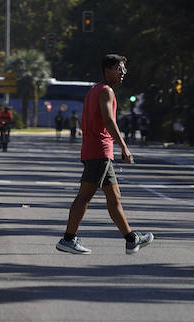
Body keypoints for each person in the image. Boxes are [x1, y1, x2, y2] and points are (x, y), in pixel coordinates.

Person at [56, 54, 154, 255]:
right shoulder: (106, 91)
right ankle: (68, 238)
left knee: (114, 197)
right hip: (99, 150)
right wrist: (124, 147)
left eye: (124, 70)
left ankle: (131, 239)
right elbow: (110, 122)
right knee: (84, 196)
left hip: (98, 150)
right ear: (107, 70)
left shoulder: (94, 90)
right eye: (119, 69)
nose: (123, 73)